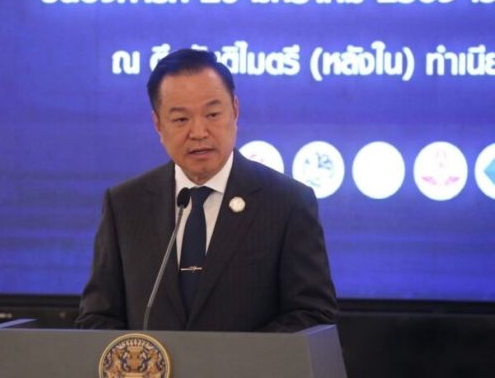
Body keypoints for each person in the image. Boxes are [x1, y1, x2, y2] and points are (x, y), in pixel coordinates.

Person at [76, 49, 337, 332]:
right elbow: (97, 318)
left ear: (235, 111)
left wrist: (238, 354)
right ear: (158, 125)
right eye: (181, 119)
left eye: (212, 114)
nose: (199, 132)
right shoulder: (125, 205)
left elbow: (313, 315)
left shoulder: (286, 203)